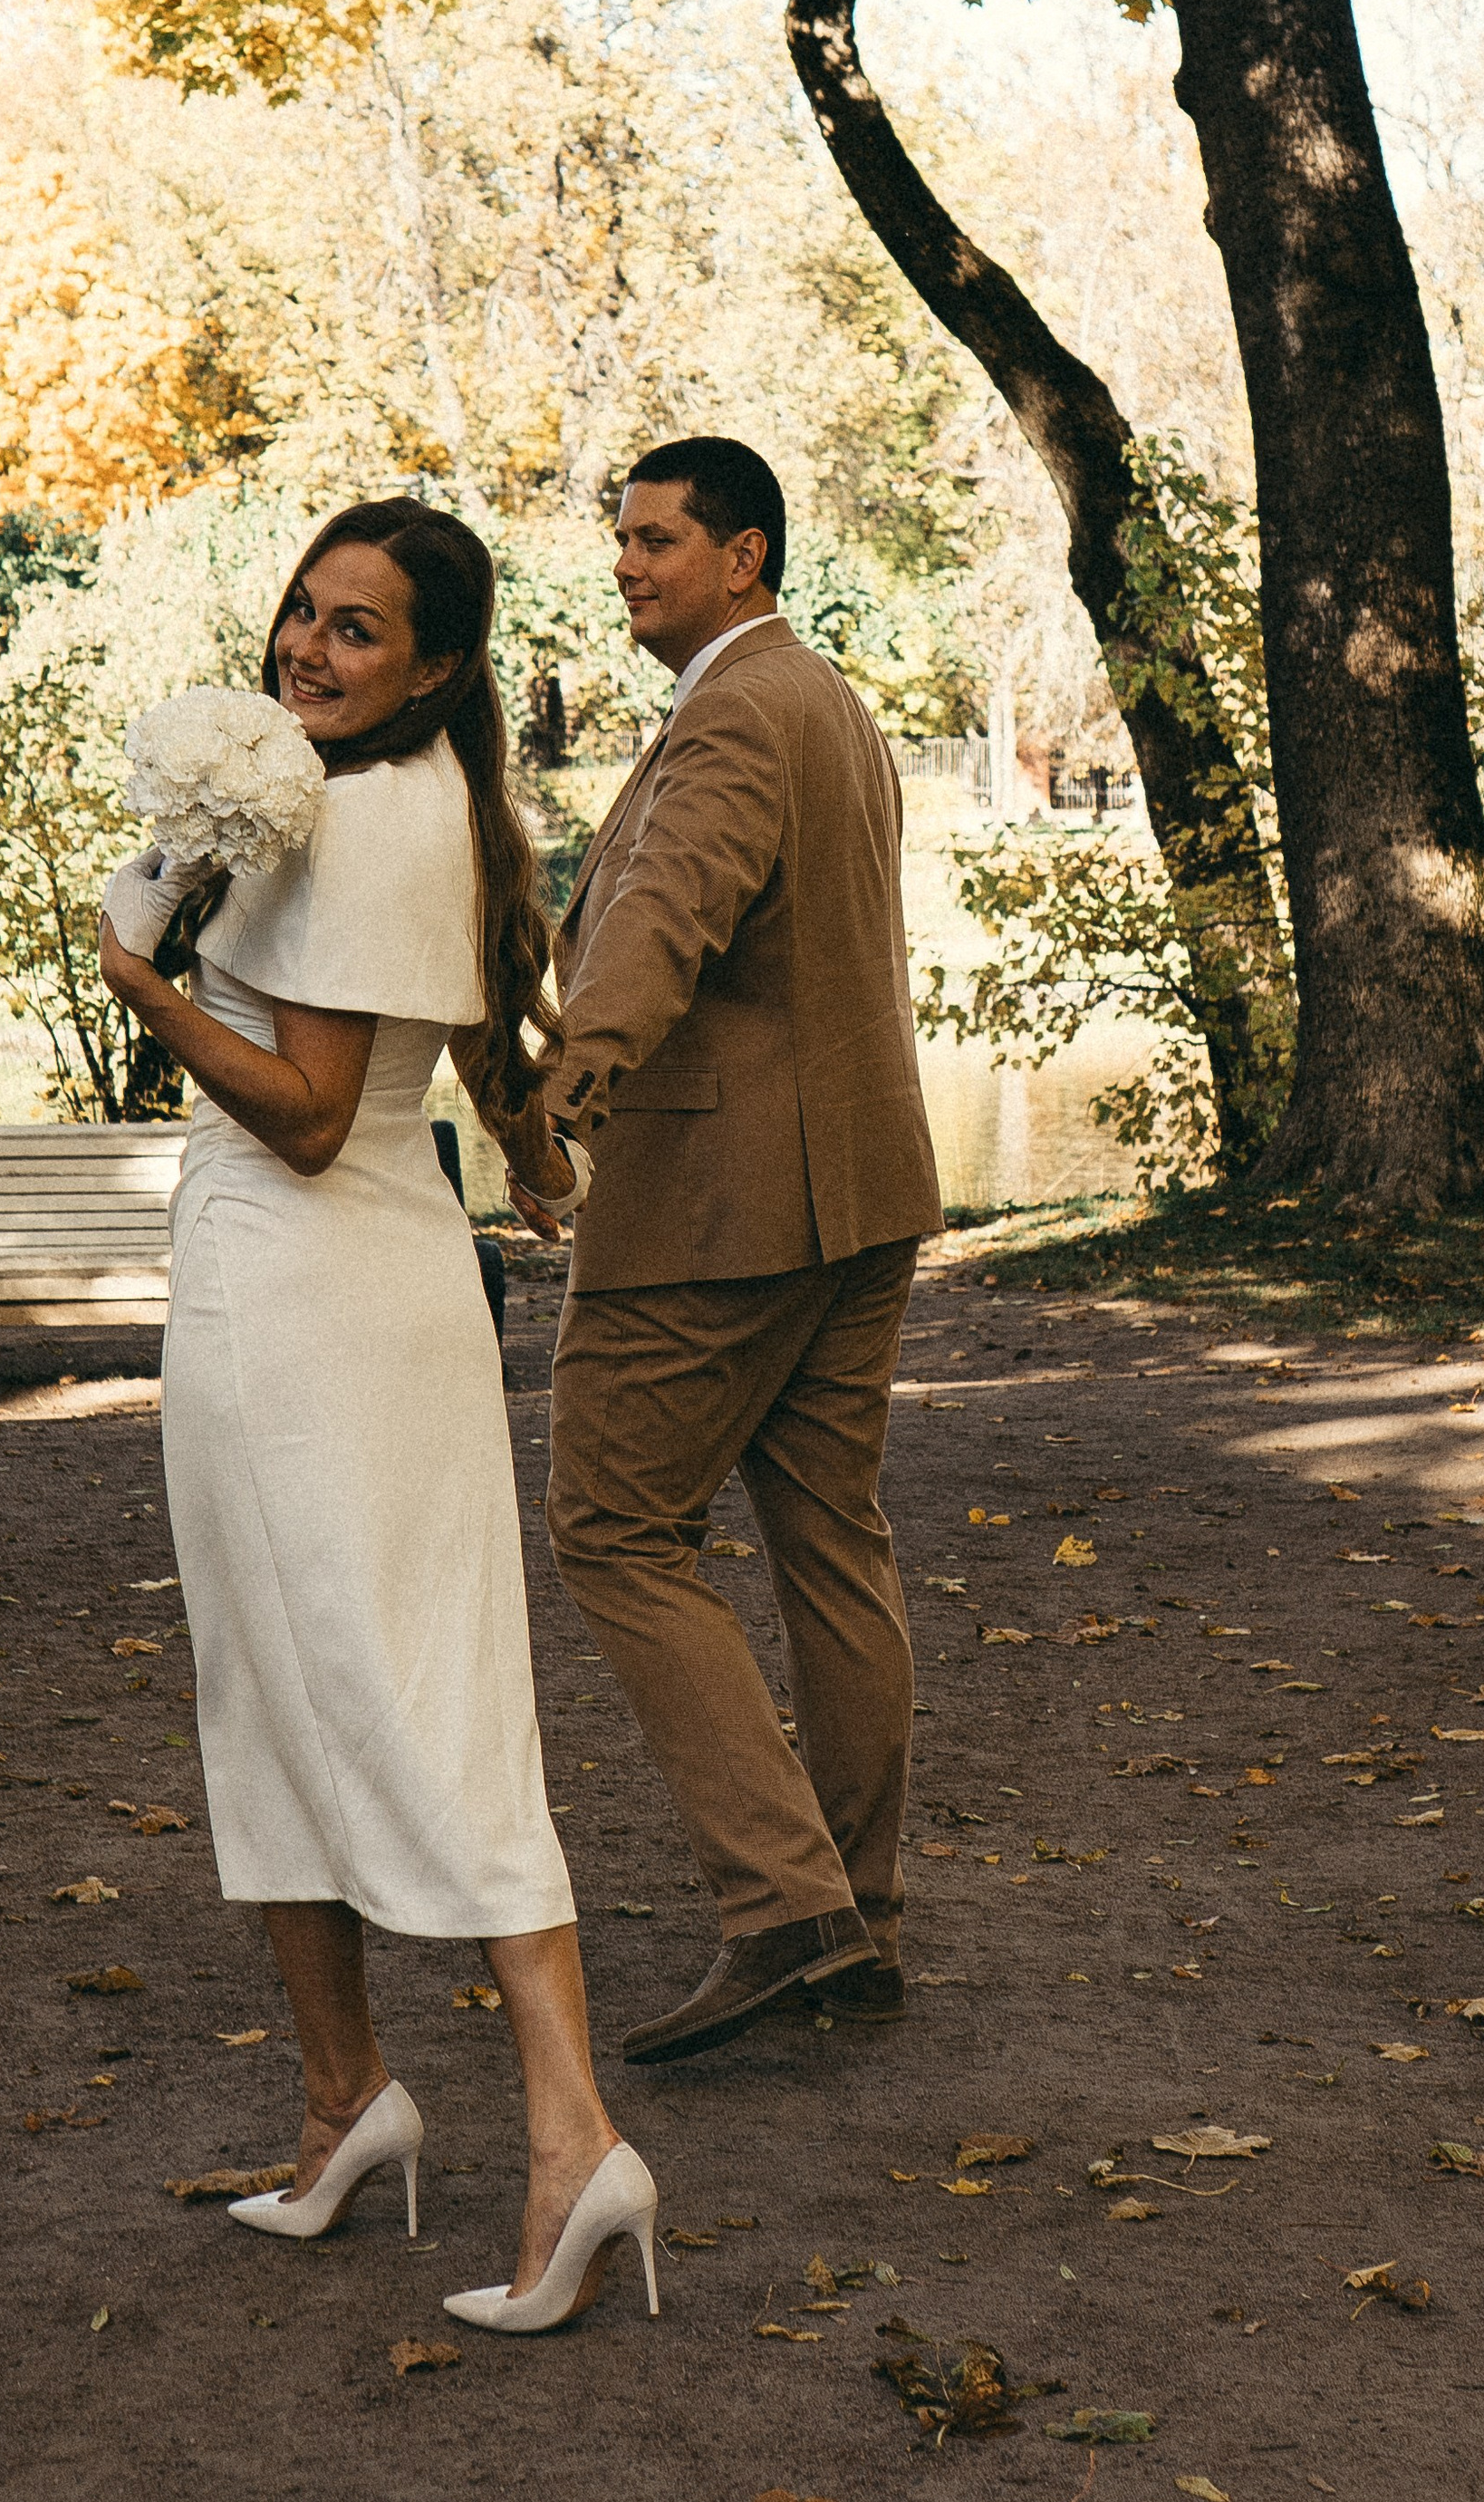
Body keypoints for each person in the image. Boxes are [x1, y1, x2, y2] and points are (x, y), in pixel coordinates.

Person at [99, 498, 658, 2333]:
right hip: (307, 1284)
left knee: (409, 1697)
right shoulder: (379, 802)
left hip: (314, 1295)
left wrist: (142, 986)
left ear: (432, 669)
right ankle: (348, 2103)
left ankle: (570, 2141)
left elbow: (315, 1110)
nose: (308, 654)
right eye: (300, 617)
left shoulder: (383, 815)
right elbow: (416, 1063)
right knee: (269, 1679)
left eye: (358, 634)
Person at [509, 439, 942, 2065]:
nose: (626, 564)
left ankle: (786, 1911)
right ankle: (864, 1924)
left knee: (614, 1531)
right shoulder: (824, 699)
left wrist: (564, 1095)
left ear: (745, 554)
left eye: (656, 540)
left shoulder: (739, 711)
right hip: (858, 1192)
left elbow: (664, 919)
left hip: (721, 1208)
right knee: (833, 1547)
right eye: (620, 539)